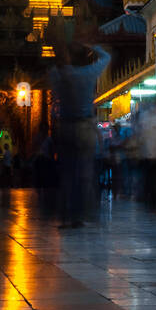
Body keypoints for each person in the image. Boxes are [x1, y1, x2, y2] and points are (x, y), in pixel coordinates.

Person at [49, 41, 110, 228]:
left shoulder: (60, 74)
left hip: (66, 127)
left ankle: (67, 215)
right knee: (84, 173)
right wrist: (93, 47)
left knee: (67, 174)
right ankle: (82, 215)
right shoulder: (89, 73)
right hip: (85, 127)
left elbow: (52, 72)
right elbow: (106, 57)